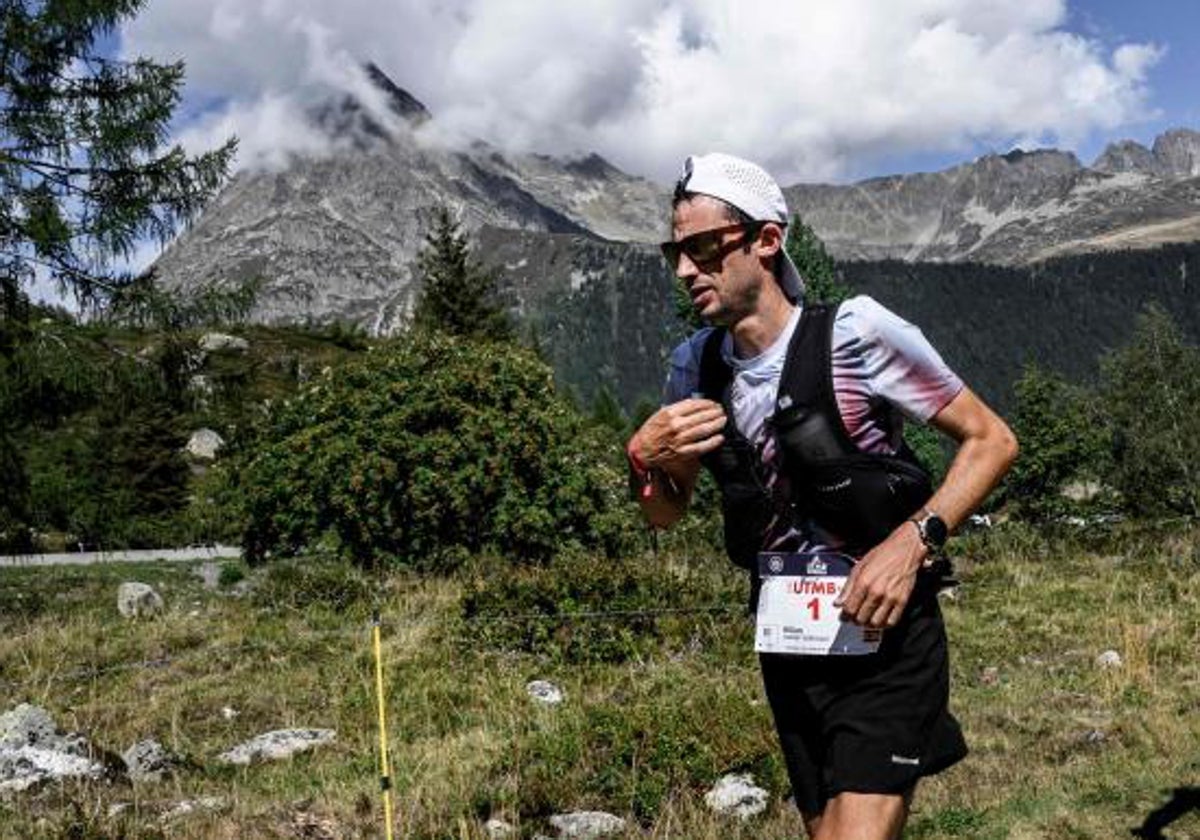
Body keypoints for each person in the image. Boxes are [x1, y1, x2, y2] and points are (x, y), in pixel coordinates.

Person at [626, 153, 1018, 840]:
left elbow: (992, 440)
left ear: (767, 241)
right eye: (675, 254)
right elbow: (665, 510)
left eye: (704, 248)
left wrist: (913, 541)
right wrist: (642, 459)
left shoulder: (855, 333)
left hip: (888, 636)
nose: (687, 271)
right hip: (789, 644)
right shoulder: (695, 366)